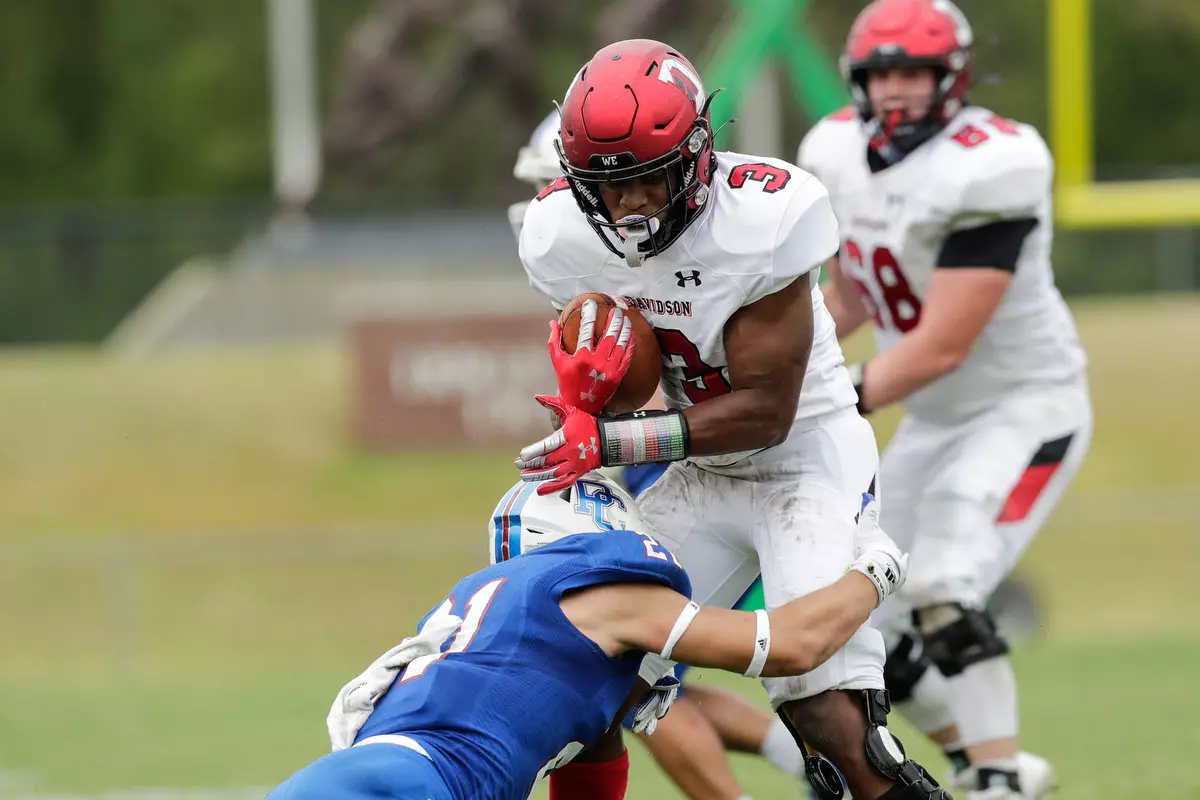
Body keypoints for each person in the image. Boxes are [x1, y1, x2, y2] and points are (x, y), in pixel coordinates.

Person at [515, 38, 945, 800]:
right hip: (698, 474)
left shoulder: (766, 216)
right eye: (610, 189)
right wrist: (596, 391)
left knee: (832, 719)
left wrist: (609, 440)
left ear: (696, 157)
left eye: (649, 182)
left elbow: (765, 414)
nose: (631, 207)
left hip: (802, 460)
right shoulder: (561, 236)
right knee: (584, 672)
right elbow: (623, 377)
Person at [796, 1, 1092, 797]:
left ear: (949, 78)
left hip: (1023, 405)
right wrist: (779, 362)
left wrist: (825, 402)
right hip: (935, 418)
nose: (896, 90)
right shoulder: (834, 150)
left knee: (946, 585)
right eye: (882, 73)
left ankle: (999, 780)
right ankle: (985, 758)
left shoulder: (992, 163)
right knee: (861, 616)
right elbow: (854, 295)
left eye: (913, 73)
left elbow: (941, 343)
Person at [509, 111, 812, 800]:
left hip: (717, 462)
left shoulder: (694, 243)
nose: (540, 202)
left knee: (624, 664)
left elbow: (661, 391)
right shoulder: (570, 245)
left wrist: (605, 424)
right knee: (646, 682)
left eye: (548, 184)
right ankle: (809, 767)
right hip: (665, 466)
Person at [266, 475, 908, 800]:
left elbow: (593, 776)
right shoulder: (607, 599)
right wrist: (875, 571)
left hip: (368, 775)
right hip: (420, 783)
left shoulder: (517, 621)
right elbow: (789, 646)